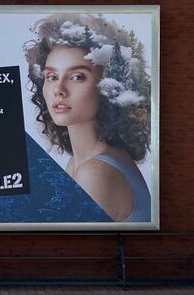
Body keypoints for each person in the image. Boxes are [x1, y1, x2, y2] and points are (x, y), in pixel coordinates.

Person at [25, 13, 151, 222]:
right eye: (52, 77)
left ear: (108, 86)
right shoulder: (78, 163)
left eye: (77, 77)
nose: (59, 90)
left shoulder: (94, 173)